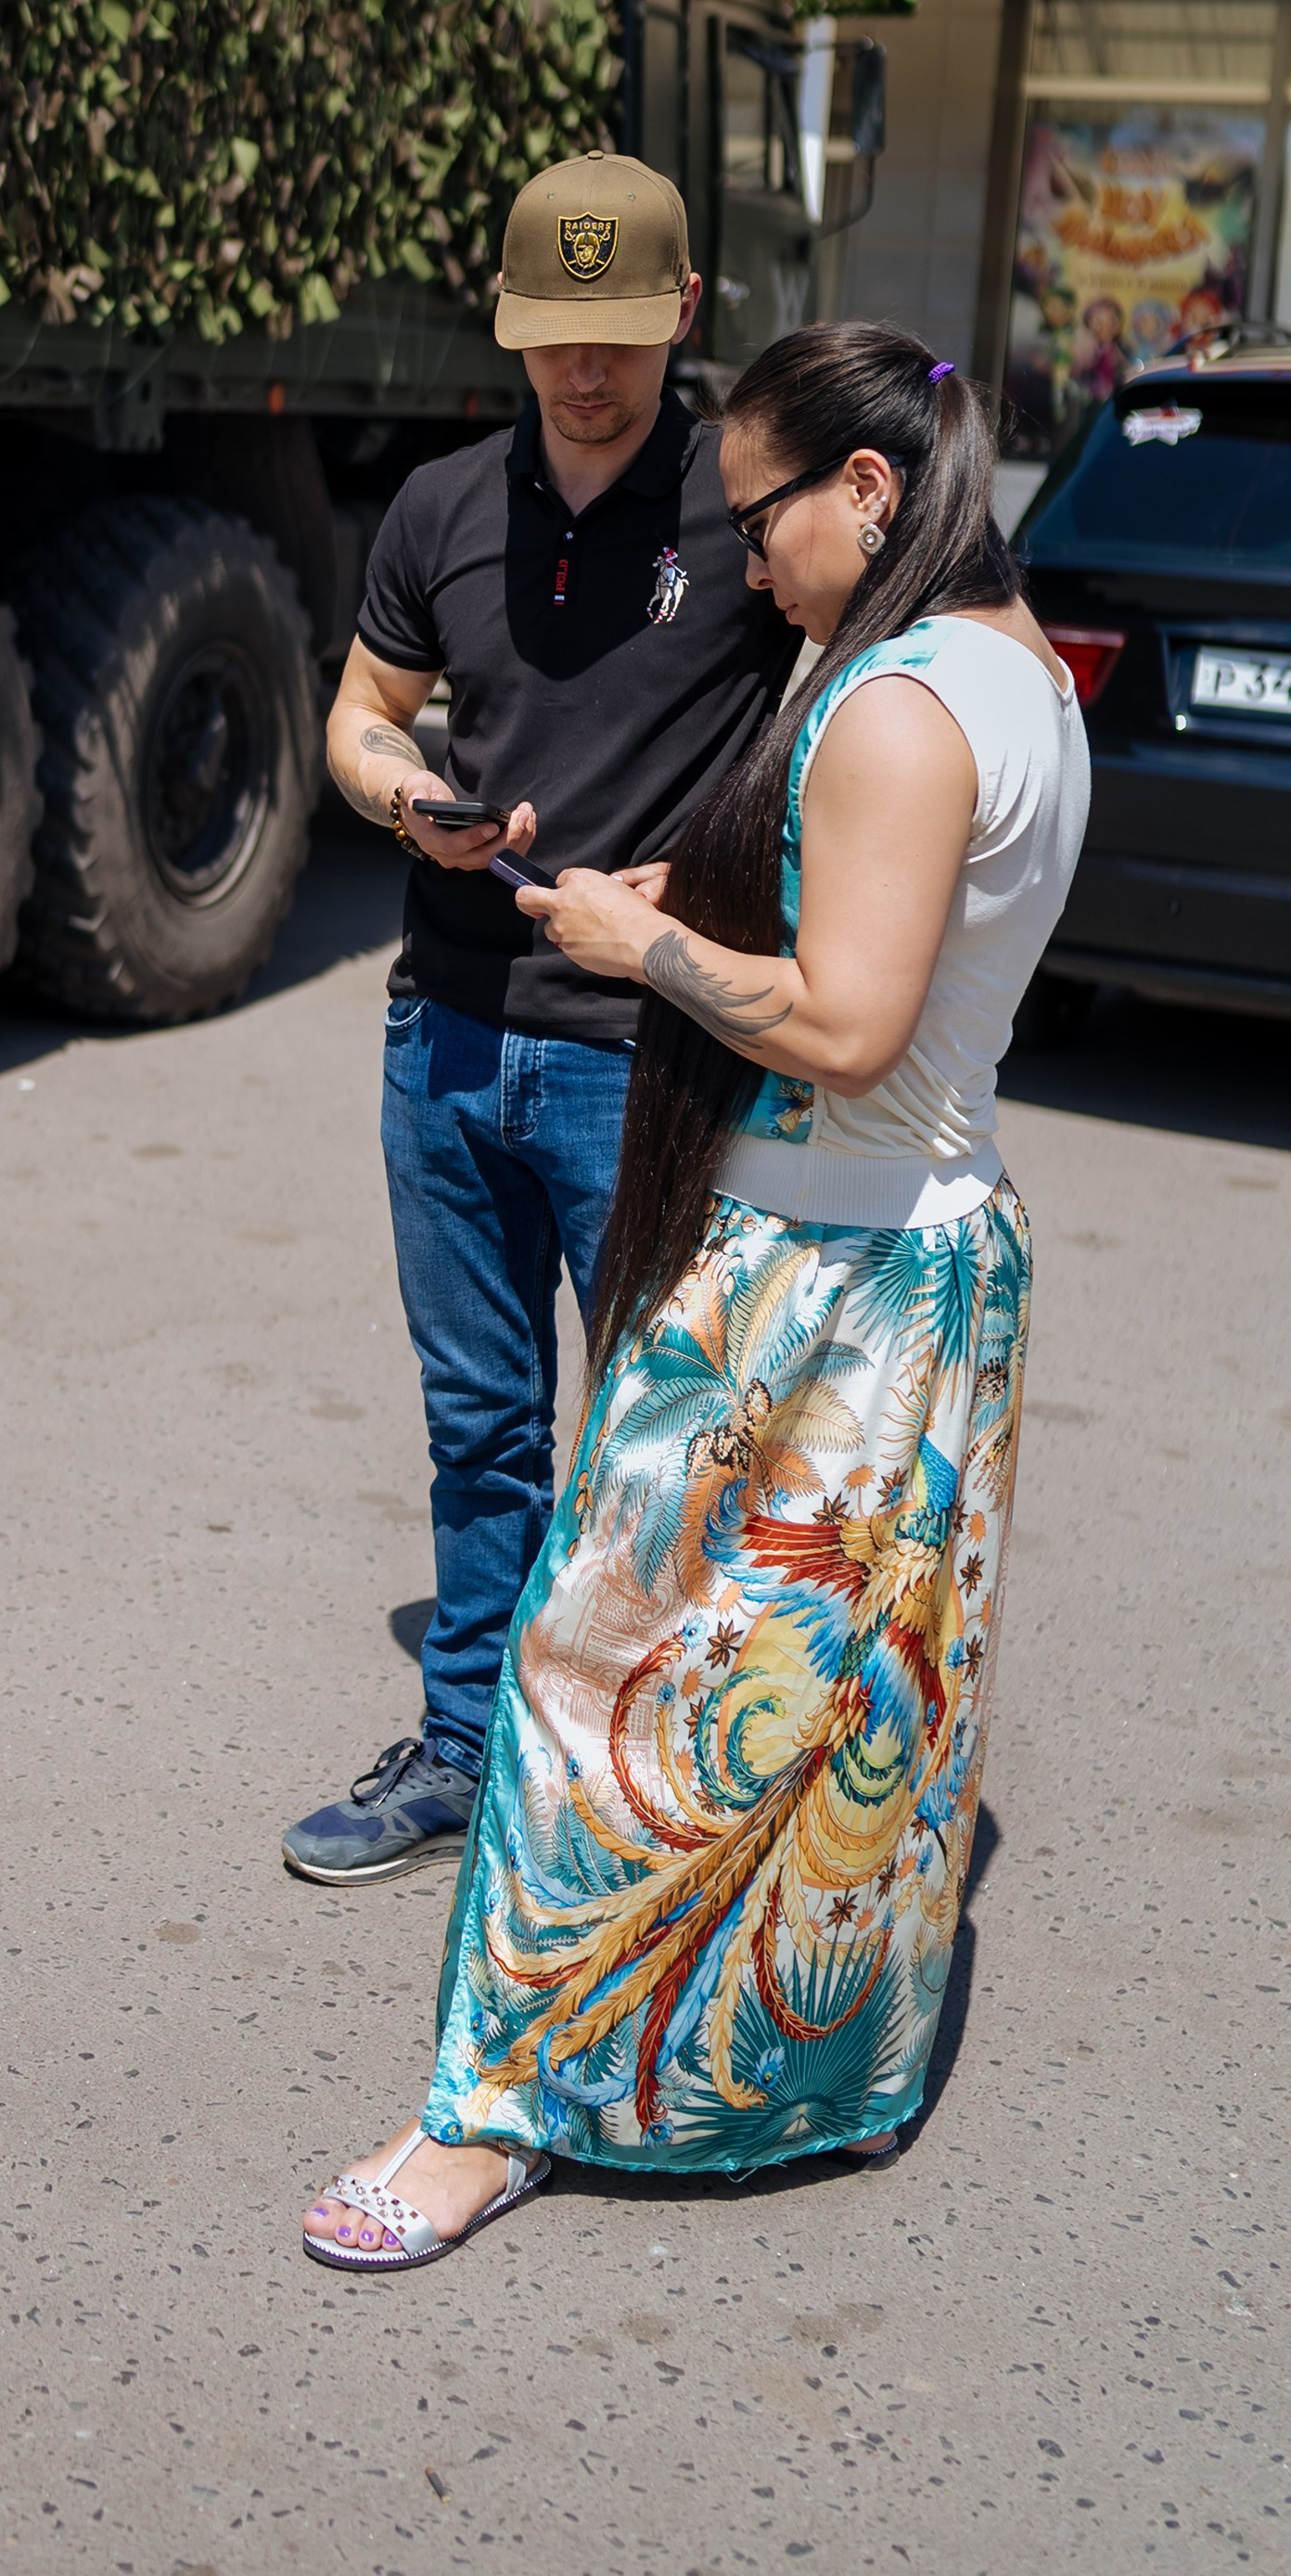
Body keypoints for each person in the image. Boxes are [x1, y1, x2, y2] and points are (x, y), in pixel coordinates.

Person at [302, 325, 1089, 2268]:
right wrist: (698, 879)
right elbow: (867, 927)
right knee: (845, 1720)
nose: (744, 560)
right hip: (932, 1253)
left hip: (819, 1275)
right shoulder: (1016, 669)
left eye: (761, 518)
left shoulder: (898, 703)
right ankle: (802, 2072)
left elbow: (835, 1020)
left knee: (591, 1685)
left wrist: (643, 940)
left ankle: (483, 2122)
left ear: (867, 491)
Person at [285, 153, 798, 1885]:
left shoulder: (749, 505)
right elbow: (359, 712)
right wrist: (394, 789)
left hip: (637, 1050)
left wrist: (728, 880)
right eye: (552, 340)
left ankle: (646, 1781)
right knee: (481, 1418)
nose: (585, 376)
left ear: (686, 316)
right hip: (443, 1026)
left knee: (664, 1426)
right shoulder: (442, 505)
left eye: (620, 338)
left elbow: (864, 709)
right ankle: (461, 1745)